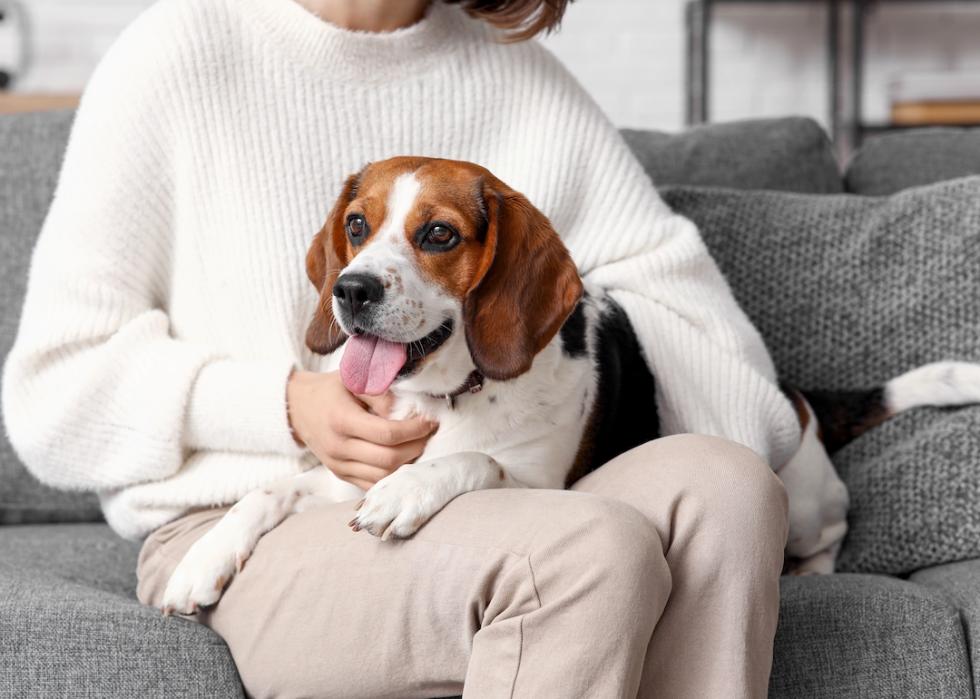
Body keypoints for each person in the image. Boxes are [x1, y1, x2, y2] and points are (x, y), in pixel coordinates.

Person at [1, 0, 799, 696]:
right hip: (252, 530)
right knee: (590, 548)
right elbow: (52, 390)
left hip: (496, 485)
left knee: (732, 488)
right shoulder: (176, 53)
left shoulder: (523, 80)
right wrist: (285, 406)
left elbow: (717, 358)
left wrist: (528, 349)